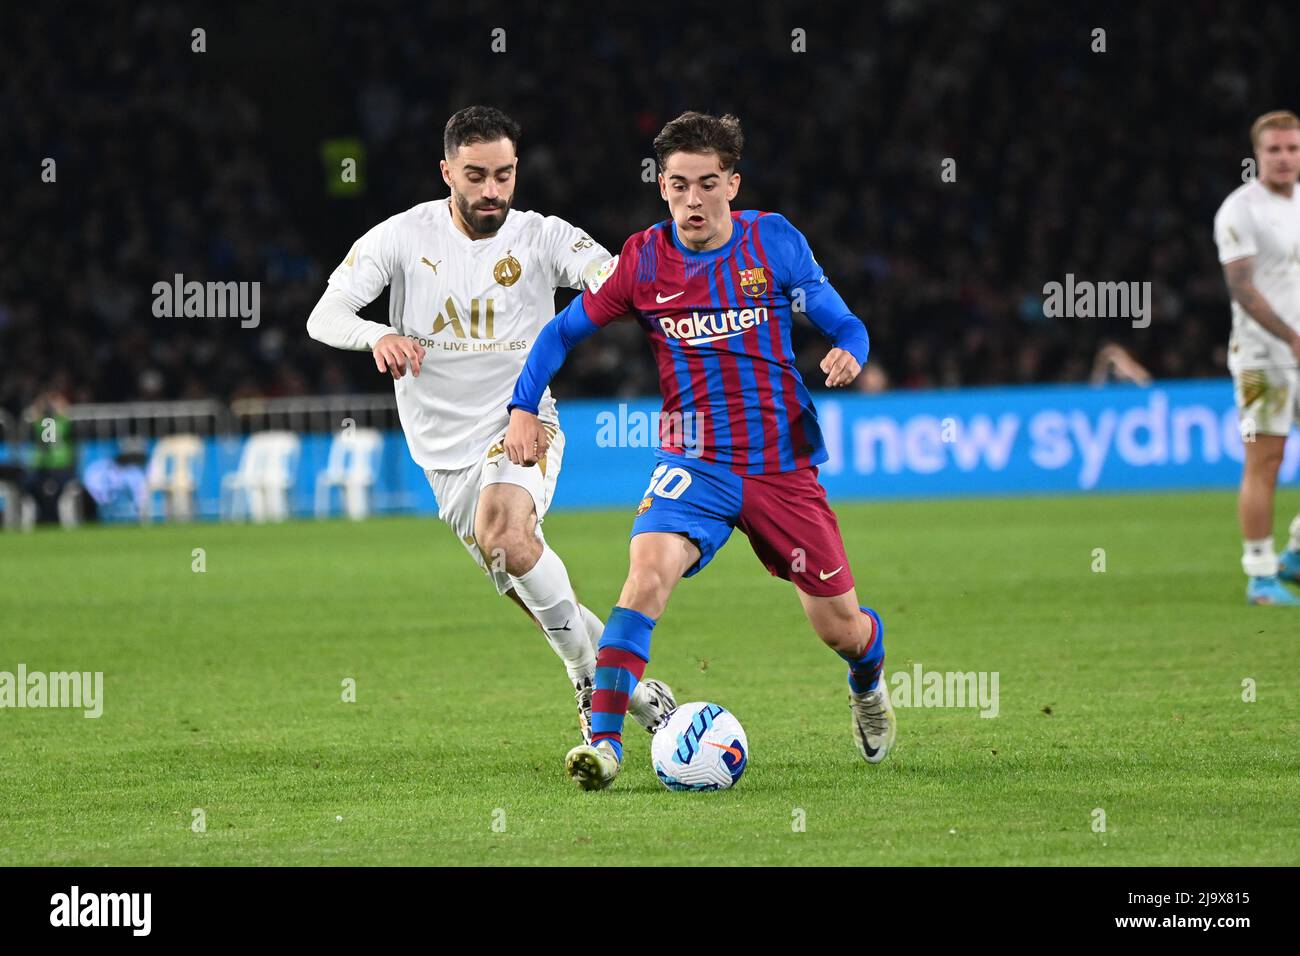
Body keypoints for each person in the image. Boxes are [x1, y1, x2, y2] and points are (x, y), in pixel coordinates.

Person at [505, 111, 895, 790]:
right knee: (645, 576)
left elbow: (844, 320)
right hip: (695, 462)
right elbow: (562, 332)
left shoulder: (773, 243)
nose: (692, 198)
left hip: (780, 466)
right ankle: (605, 745)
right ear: (662, 186)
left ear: (732, 184)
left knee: (840, 629)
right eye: (678, 183)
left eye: (707, 183)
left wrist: (850, 350)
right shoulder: (642, 261)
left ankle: (868, 681)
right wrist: (520, 405)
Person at [307, 106, 676, 740]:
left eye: (504, 175)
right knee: (521, 573)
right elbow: (324, 314)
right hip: (441, 458)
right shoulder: (400, 237)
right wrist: (377, 335)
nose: (491, 192)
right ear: (446, 170)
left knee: (504, 532)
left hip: (522, 424)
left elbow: (608, 275)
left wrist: (616, 285)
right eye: (475, 175)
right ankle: (640, 695)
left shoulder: (543, 236)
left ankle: (593, 690)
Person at [1213, 109, 1300, 605]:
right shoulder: (1240, 210)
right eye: (1275, 150)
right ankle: (1261, 575)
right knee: (1266, 460)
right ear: (1258, 155)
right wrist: (1291, 336)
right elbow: (1241, 288)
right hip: (1262, 358)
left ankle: (1296, 554)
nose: (1285, 158)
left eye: (1292, 148)